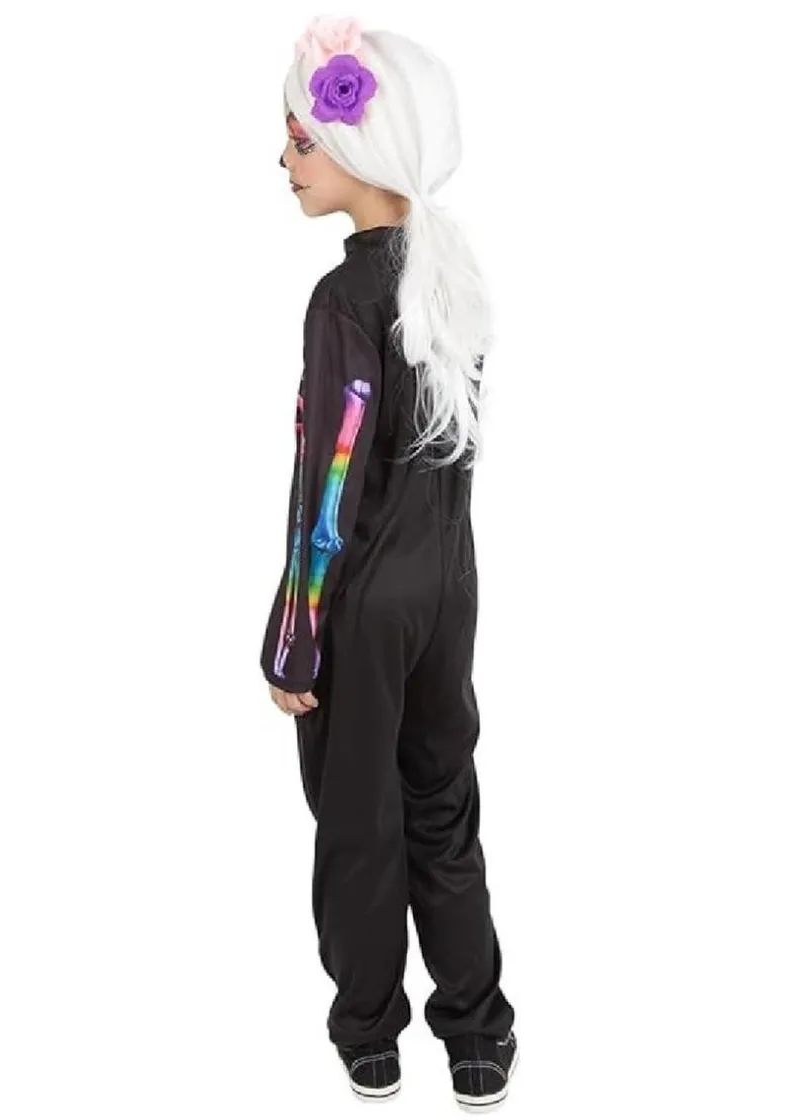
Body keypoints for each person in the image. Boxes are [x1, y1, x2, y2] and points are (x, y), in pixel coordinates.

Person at [260, 16, 517, 1111]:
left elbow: (331, 482)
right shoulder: (452, 278)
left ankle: (369, 1031)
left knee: (359, 821)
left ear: (355, 147)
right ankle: (478, 1030)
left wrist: (293, 635)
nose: (284, 160)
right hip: (450, 591)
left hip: (363, 605)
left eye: (299, 139)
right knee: (442, 802)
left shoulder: (344, 300)